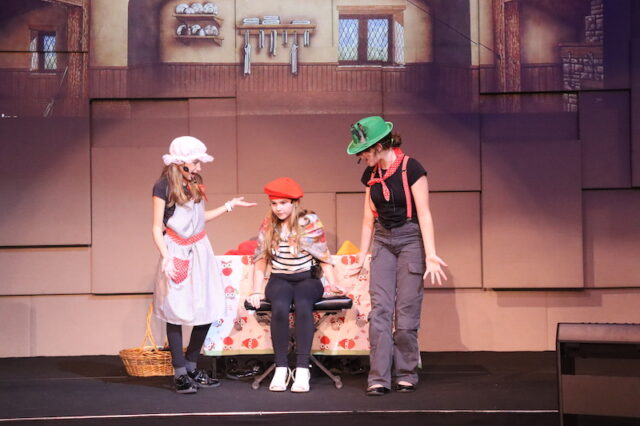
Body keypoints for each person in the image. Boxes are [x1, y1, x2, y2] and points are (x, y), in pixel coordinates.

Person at [346, 116, 448, 396]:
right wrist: (362, 255)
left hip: (410, 240)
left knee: (406, 313)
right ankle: (379, 377)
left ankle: (405, 373)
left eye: (364, 151)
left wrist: (431, 254)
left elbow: (424, 214)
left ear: (379, 146)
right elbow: (368, 218)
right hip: (383, 241)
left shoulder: (411, 169)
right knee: (379, 311)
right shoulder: (370, 175)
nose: (361, 156)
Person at [152, 136, 256, 394]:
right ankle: (179, 372)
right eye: (196, 162)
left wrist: (229, 206)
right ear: (181, 162)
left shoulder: (194, 182)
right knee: (175, 309)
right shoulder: (163, 186)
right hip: (177, 250)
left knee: (207, 306)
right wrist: (166, 256)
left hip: (200, 250)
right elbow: (156, 227)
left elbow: (200, 218)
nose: (199, 167)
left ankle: (191, 365)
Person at [247, 177, 342, 393]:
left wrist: (333, 283)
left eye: (283, 203)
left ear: (294, 202)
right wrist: (255, 290)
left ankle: (302, 368)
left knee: (303, 305)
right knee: (279, 307)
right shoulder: (269, 224)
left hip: (307, 279)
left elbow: (323, 254)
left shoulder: (309, 221)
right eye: (274, 203)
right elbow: (261, 258)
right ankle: (281, 368)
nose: (278, 208)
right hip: (279, 279)